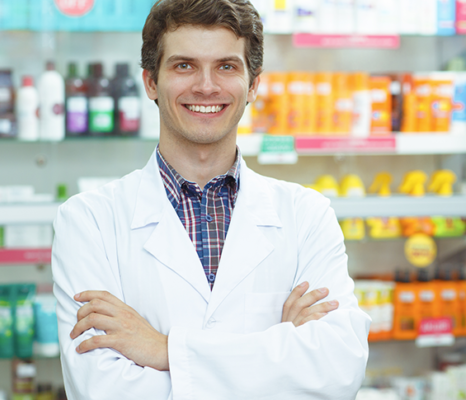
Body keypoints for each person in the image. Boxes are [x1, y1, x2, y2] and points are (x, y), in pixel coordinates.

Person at [52, 0, 371, 398]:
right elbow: (102, 389)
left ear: (253, 84)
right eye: (184, 65)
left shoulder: (306, 214)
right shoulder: (88, 221)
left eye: (226, 66)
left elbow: (336, 370)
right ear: (151, 81)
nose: (206, 86)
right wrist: (279, 352)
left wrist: (163, 349)